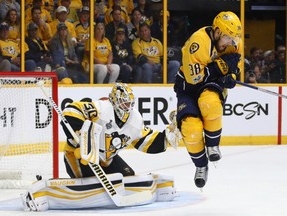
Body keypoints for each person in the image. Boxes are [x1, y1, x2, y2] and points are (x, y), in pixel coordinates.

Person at [21, 82, 178, 211]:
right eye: (124, 104)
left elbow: (146, 142)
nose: (127, 108)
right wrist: (81, 136)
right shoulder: (101, 108)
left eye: (129, 104)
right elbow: (70, 110)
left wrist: (168, 136)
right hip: (78, 155)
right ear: (115, 101)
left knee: (128, 177)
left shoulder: (135, 120)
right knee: (88, 180)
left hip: (106, 159)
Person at [174, 11, 242, 188]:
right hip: (187, 88)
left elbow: (236, 67)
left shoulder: (233, 43)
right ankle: (201, 165)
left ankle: (213, 145)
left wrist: (232, 76)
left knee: (210, 104)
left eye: (234, 38)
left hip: (211, 85)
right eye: (229, 37)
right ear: (218, 32)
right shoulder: (198, 42)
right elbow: (194, 79)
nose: (232, 42)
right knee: (191, 128)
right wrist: (221, 69)